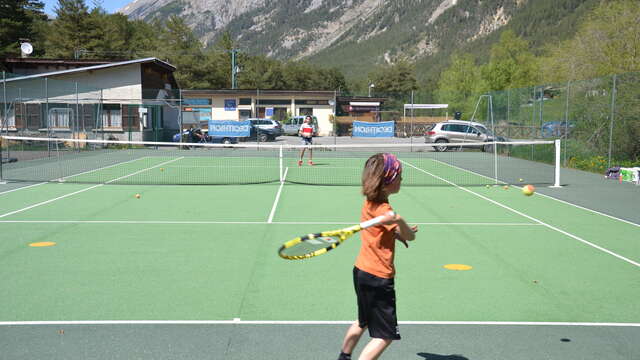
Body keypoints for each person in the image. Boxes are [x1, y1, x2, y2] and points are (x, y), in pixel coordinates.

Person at [337, 153, 417, 360]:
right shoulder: (385, 210)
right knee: (385, 335)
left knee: (362, 321)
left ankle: (344, 357)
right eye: (399, 176)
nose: (402, 179)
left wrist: (396, 233)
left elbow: (380, 231)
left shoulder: (369, 203)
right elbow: (411, 236)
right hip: (379, 277)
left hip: (361, 271)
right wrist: (400, 221)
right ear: (388, 182)